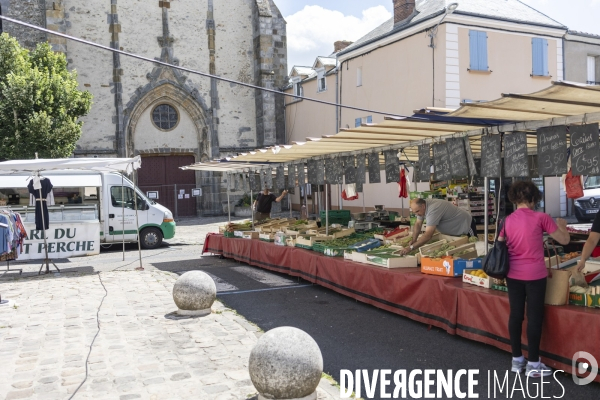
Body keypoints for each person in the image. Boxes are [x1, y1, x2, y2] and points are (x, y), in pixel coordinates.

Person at [499, 181, 569, 378]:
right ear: (533, 199)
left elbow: (500, 245)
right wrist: (562, 226)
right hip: (535, 275)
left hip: (513, 274)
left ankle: (516, 360)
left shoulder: (507, 220)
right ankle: (534, 364)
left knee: (515, 315)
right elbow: (564, 240)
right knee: (534, 317)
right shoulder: (542, 217)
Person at [400, 198, 476, 255]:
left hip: (465, 226)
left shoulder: (433, 209)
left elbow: (428, 235)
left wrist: (411, 248)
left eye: (417, 211)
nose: (417, 214)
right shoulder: (422, 208)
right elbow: (418, 224)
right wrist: (414, 239)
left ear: (423, 206)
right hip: (453, 232)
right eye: (414, 212)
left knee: (473, 249)